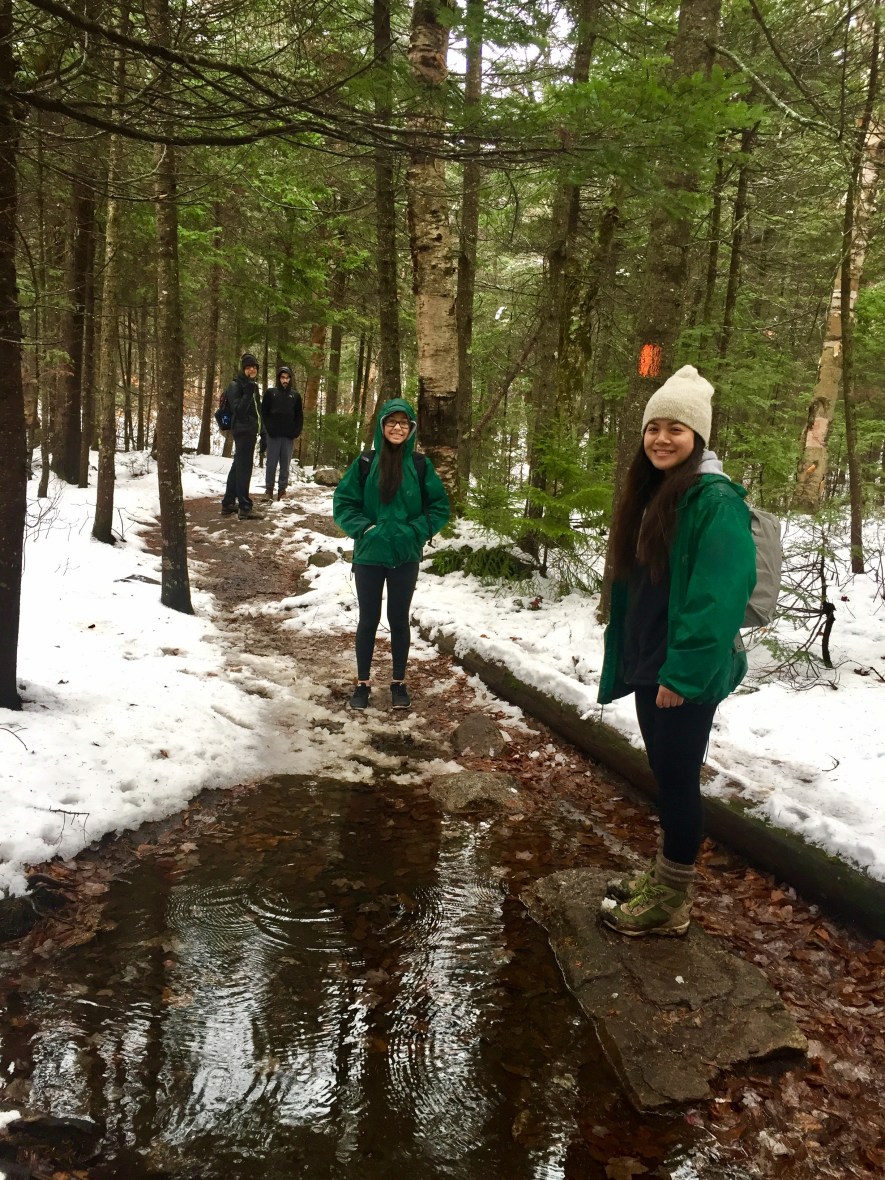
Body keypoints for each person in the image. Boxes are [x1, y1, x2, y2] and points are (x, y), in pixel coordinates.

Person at [597, 365, 756, 937]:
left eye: (676, 429)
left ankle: (671, 903)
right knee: (665, 775)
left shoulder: (715, 501)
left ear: (699, 436)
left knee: (679, 779)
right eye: (653, 428)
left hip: (682, 668)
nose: (661, 439)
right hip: (653, 659)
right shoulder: (659, 491)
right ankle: (665, 876)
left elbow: (718, 597)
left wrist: (683, 674)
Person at [332, 398, 450, 711]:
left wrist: (415, 531)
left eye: (403, 423)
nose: (397, 428)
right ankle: (362, 684)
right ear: (382, 426)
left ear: (411, 428)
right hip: (370, 554)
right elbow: (343, 502)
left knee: (398, 619)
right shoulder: (365, 462)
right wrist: (365, 529)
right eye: (391, 422)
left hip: (405, 555)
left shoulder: (421, 466)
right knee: (368, 620)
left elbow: (439, 507)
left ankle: (398, 682)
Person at [220, 353, 262, 520]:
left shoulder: (252, 385)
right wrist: (249, 391)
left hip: (251, 430)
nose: (252, 369)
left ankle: (228, 503)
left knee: (238, 466)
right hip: (242, 430)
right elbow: (239, 410)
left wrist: (263, 431)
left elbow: (258, 411)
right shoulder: (235, 385)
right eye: (248, 367)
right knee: (244, 468)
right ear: (243, 369)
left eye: (254, 367)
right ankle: (245, 507)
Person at [261, 364, 304, 500]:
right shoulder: (270, 393)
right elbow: (264, 413)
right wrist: (268, 429)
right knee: (271, 463)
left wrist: (296, 432)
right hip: (273, 435)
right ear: (279, 378)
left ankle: (282, 491)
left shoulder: (295, 396)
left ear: (290, 379)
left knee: (285, 464)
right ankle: (269, 490)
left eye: (287, 377)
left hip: (288, 436)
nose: (285, 380)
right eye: (282, 377)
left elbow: (299, 416)